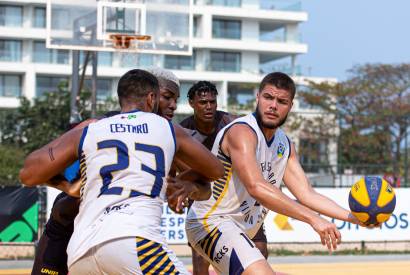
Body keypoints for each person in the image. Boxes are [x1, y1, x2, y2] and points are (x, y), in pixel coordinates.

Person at [20, 69, 224, 274]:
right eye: (167, 97)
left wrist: (186, 187)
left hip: (82, 247)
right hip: (82, 231)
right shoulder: (168, 132)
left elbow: (29, 173)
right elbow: (216, 170)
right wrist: (69, 187)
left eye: (176, 99)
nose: (173, 105)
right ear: (151, 97)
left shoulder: (94, 128)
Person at [186, 72, 364, 275]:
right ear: (257, 97)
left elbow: (307, 194)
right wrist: (314, 219)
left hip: (238, 230)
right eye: (268, 98)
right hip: (211, 222)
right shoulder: (242, 132)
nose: (273, 106)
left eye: (281, 101)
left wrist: (354, 218)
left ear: (290, 106)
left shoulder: (284, 144)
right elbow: (256, 187)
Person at [179, 81, 268, 275]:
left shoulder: (232, 123)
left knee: (260, 248)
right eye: (203, 102)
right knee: (201, 254)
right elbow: (181, 167)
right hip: (203, 191)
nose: (209, 106)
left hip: (236, 193)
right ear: (191, 103)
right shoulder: (184, 130)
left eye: (212, 101)